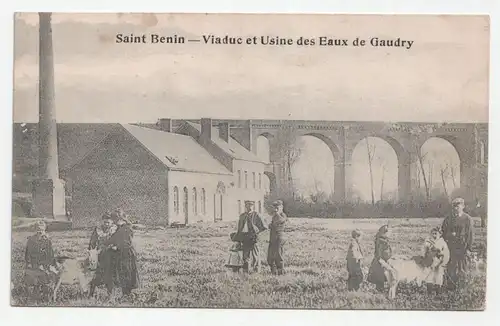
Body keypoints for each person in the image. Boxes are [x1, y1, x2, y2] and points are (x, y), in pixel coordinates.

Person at [441, 197, 474, 290]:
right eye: (454, 206)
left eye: (458, 206)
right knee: (451, 267)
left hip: (462, 247)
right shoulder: (448, 219)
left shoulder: (467, 219)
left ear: (463, 206)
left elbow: (470, 235)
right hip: (450, 247)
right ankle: (450, 287)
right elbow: (443, 233)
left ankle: (462, 288)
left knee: (462, 267)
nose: (455, 208)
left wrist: (468, 249)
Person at [106, 209, 140, 298]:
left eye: (115, 220)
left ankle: (127, 294)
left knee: (126, 273)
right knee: (122, 274)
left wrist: (117, 247)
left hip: (127, 254)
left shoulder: (126, 229)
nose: (114, 222)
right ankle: (125, 294)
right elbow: (113, 239)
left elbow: (127, 243)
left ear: (120, 219)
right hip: (121, 254)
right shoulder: (119, 228)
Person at [23, 220, 56, 302]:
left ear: (44, 230)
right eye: (38, 229)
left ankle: (46, 297)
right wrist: (30, 263)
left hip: (44, 265)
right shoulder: (31, 240)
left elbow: (50, 255)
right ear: (35, 230)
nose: (40, 232)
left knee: (45, 280)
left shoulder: (47, 241)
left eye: (42, 230)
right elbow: (27, 254)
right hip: (34, 264)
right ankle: (34, 297)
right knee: (34, 281)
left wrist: (47, 265)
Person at [88, 211, 118, 297]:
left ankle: (110, 295)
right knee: (96, 274)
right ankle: (91, 294)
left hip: (111, 255)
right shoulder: (98, 230)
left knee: (110, 275)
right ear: (102, 221)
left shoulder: (114, 230)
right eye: (105, 222)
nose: (106, 224)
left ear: (112, 222)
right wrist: (92, 252)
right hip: (99, 255)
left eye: (108, 222)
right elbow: (92, 242)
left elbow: (117, 241)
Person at [235, 200, 267, 273]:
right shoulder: (242, 216)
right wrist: (238, 239)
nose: (249, 207)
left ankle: (256, 271)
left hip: (254, 237)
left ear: (253, 206)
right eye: (247, 206)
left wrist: (256, 232)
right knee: (245, 255)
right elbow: (239, 229)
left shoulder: (256, 215)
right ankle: (246, 271)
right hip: (245, 237)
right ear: (245, 206)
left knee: (255, 255)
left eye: (251, 205)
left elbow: (264, 226)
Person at [421, 227, 450, 295]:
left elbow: (446, 253)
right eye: (433, 234)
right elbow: (423, 250)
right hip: (430, 262)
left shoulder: (442, 242)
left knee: (438, 276)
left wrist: (443, 258)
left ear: (440, 234)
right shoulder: (428, 241)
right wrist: (424, 256)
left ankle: (438, 291)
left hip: (438, 262)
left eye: (436, 234)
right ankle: (429, 291)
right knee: (429, 276)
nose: (434, 235)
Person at [367, 225, 393, 292]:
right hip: (381, 263)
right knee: (380, 280)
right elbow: (384, 253)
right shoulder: (382, 241)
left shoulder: (380, 239)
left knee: (380, 281)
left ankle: (379, 293)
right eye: (390, 232)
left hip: (378, 262)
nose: (391, 234)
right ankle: (380, 295)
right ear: (385, 232)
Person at [267, 200, 288, 275]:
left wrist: (277, 213)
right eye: (274, 207)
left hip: (279, 237)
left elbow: (280, 221)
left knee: (278, 255)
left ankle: (280, 272)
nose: (275, 209)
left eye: (277, 207)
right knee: (270, 256)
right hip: (273, 237)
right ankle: (273, 272)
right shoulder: (275, 215)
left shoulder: (282, 215)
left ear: (281, 207)